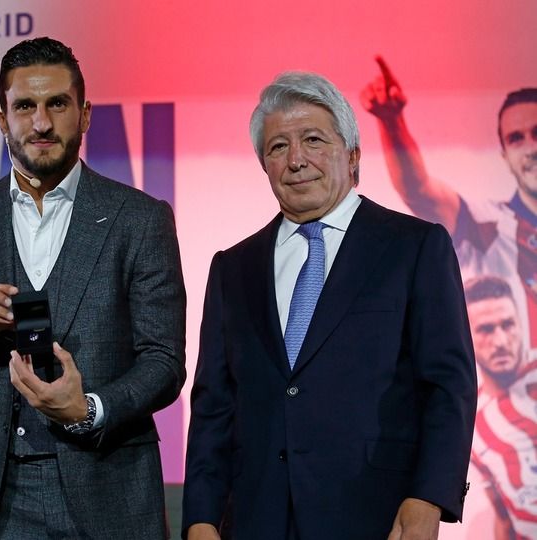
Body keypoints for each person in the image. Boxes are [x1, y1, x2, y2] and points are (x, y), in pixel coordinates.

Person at [0, 37, 186, 539]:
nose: (41, 123)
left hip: (108, 489)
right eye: (25, 106)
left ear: (85, 114)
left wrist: (89, 410)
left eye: (57, 103)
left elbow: (163, 362)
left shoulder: (140, 220)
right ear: (1, 118)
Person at [181, 71, 477, 539]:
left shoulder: (414, 247)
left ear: (353, 155)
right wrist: (199, 519)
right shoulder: (231, 268)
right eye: (278, 147)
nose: (296, 160)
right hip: (257, 518)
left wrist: (430, 497)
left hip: (375, 515)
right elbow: (215, 406)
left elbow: (448, 385)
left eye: (313, 140)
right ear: (264, 166)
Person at [362, 57, 537, 358]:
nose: (530, 147)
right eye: (516, 139)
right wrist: (392, 124)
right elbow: (418, 190)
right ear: (505, 155)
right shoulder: (489, 227)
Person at [464, 276, 537, 539]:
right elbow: (504, 518)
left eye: (508, 325)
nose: (501, 341)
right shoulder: (470, 422)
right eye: (486, 329)